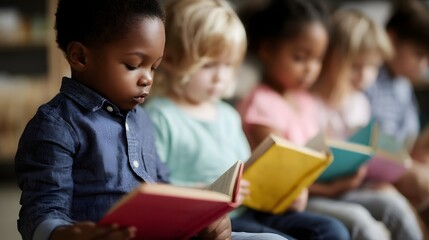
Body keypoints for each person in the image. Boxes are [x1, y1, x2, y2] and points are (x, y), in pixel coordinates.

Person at [14, 0, 286, 240]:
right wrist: (63, 234)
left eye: (153, 66)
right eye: (133, 65)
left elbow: (165, 189)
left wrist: (205, 218)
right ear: (80, 57)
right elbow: (40, 212)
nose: (148, 78)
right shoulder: (56, 125)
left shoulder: (141, 119)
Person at [145, 0, 350, 239]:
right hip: (215, 222)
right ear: (169, 59)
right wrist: (204, 194)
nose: (220, 78)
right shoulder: (160, 116)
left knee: (332, 229)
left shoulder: (228, 115)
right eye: (209, 65)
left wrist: (286, 192)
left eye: (228, 65)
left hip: (251, 209)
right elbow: (155, 190)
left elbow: (248, 173)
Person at [309, 9, 423, 240]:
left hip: (352, 186)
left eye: (372, 67)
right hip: (318, 194)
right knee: (364, 223)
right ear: (331, 57)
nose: (365, 77)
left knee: (395, 206)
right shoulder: (308, 103)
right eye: (356, 67)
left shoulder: (358, 102)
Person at [364, 0, 429, 218]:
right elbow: (367, 139)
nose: (424, 65)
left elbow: (408, 141)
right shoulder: (368, 77)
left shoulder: (403, 84)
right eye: (419, 54)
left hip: (402, 159)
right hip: (376, 164)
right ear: (392, 39)